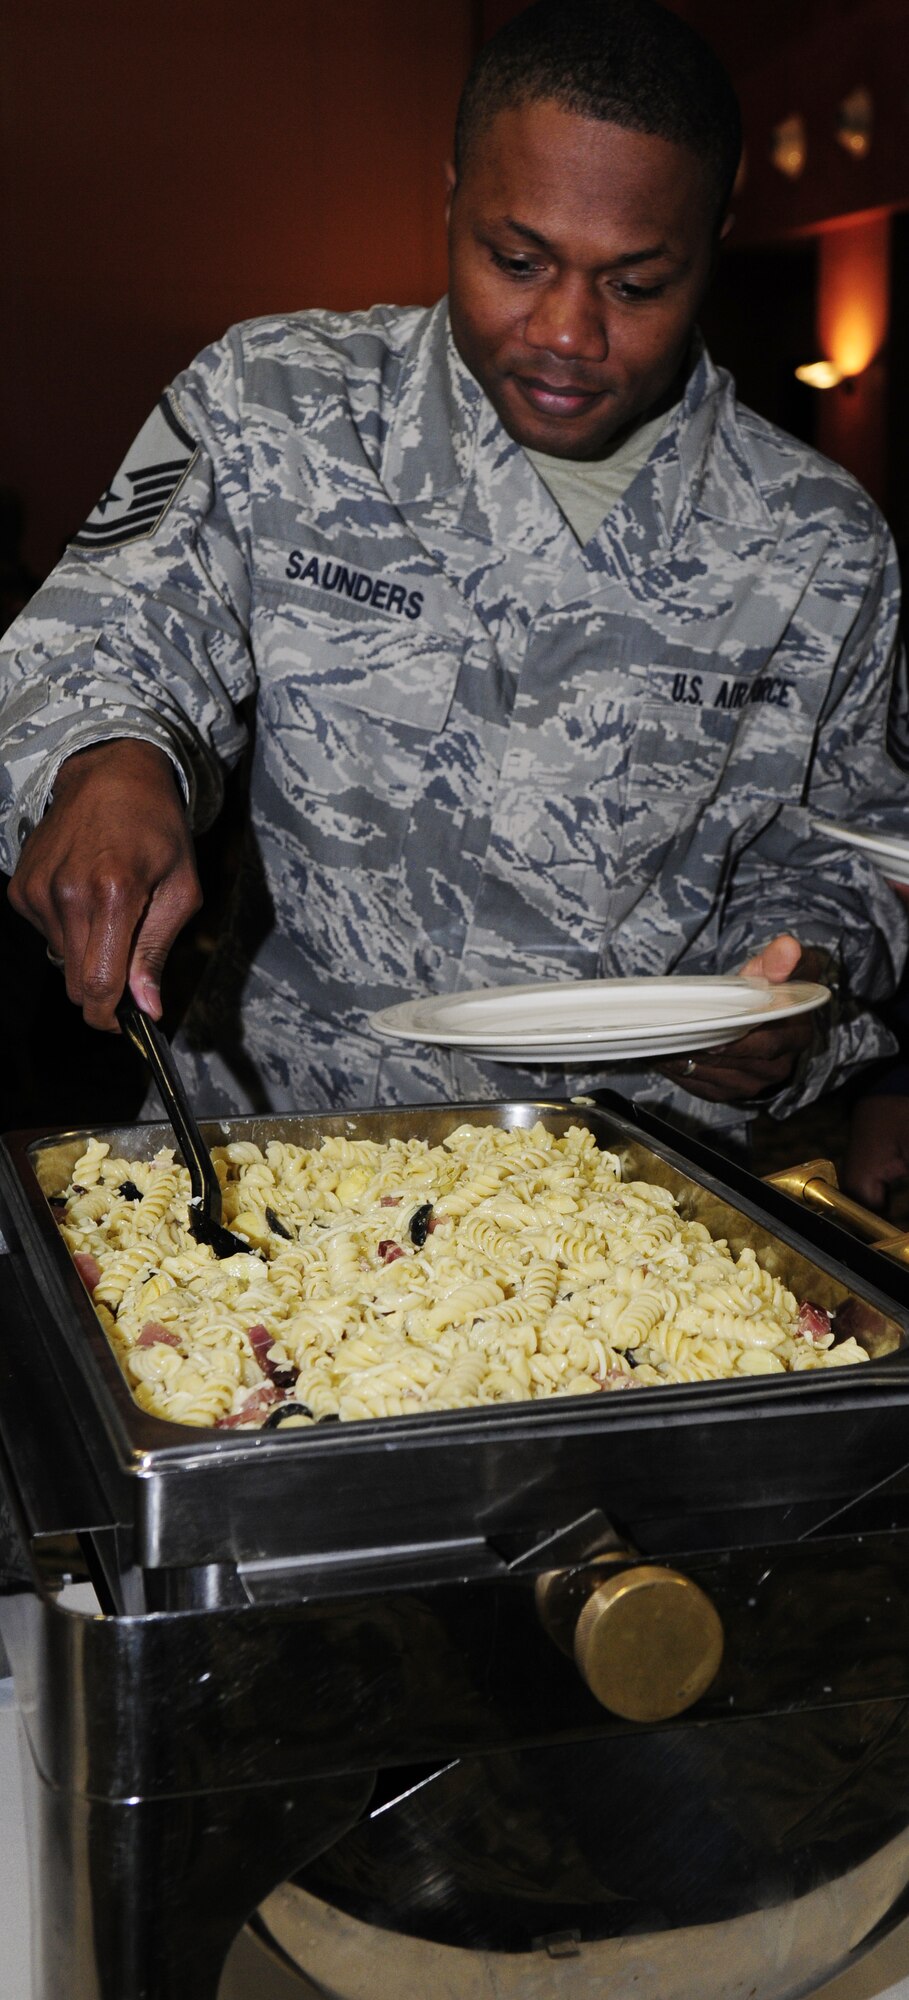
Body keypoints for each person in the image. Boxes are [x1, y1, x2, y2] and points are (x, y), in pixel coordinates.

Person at [0, 0, 906, 1145]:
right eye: (517, 260)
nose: (568, 332)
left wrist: (795, 983)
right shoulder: (274, 403)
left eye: (636, 285)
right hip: (279, 1155)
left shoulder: (821, 543)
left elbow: (845, 855)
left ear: (715, 236)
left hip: (635, 1190)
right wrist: (108, 762)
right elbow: (101, 640)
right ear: (451, 195)